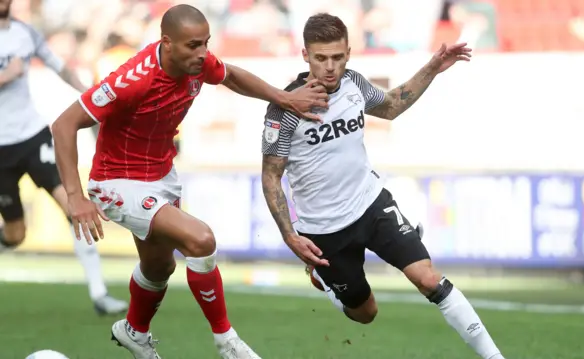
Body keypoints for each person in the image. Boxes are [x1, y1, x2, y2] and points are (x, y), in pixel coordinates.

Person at [51, 4, 328, 359]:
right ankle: (227, 342)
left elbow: (230, 76)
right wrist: (75, 196)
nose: (202, 54)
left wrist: (284, 97)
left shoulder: (199, 64)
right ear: (167, 43)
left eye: (205, 44)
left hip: (162, 175)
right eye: (193, 45)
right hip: (118, 183)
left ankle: (134, 331)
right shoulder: (132, 80)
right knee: (201, 240)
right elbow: (63, 125)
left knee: (159, 267)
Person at [261, 13, 506, 359]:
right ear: (305, 55)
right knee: (366, 313)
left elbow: (391, 106)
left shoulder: (355, 84)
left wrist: (433, 67)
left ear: (348, 52)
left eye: (337, 57)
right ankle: (328, 284)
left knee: (429, 279)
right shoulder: (284, 108)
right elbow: (271, 175)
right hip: (324, 229)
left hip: (371, 205)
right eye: (320, 58)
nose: (330, 67)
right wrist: (290, 235)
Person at [0, 0, 128, 315]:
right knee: (16, 234)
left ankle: (99, 294)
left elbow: (61, 67)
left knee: (74, 207)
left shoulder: (26, 33)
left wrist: (90, 96)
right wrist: (5, 76)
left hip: (32, 136)